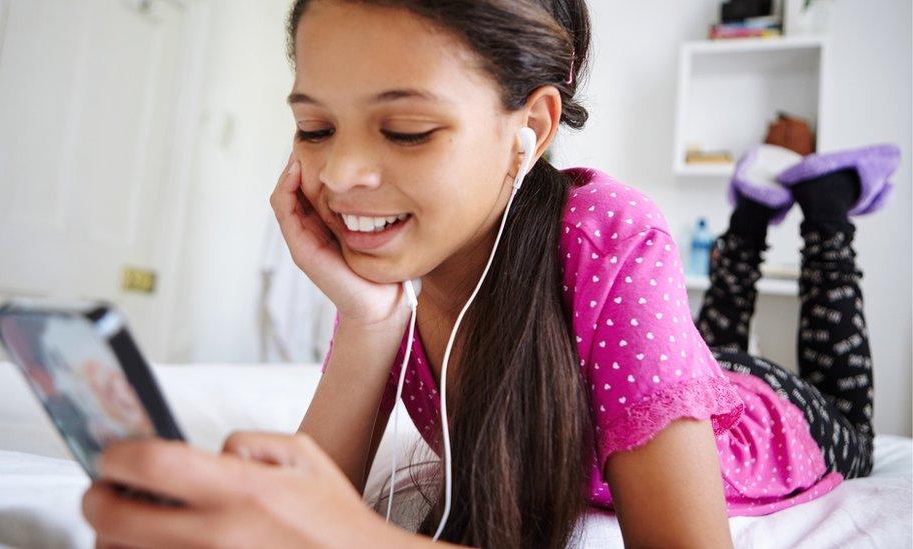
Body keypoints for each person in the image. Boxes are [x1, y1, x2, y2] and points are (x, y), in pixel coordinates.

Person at [81, 1, 901, 547]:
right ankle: (753, 212)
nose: (338, 176)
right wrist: (369, 319)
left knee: (841, 396)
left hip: (769, 416)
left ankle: (817, 209)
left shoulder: (609, 236)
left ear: (530, 129)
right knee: (711, 339)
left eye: (405, 130)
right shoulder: (406, 268)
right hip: (683, 380)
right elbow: (306, 494)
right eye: (315, 126)